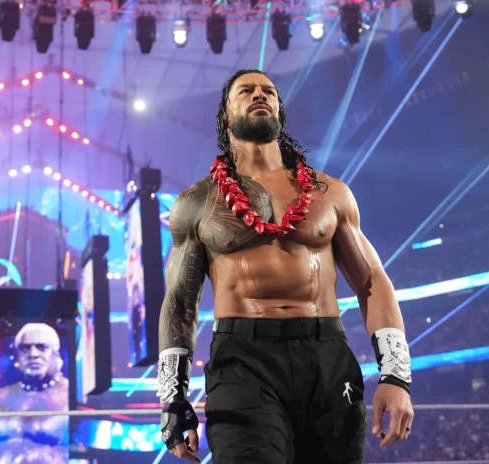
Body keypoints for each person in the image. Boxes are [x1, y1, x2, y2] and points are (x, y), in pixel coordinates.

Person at [156, 69, 414, 463]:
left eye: (269, 91)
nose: (260, 95)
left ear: (279, 108)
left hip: (327, 356)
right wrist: (173, 399)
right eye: (246, 90)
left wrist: (396, 375)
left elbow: (372, 281)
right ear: (226, 115)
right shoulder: (198, 202)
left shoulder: (330, 193)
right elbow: (179, 303)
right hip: (243, 361)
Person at [0, 323, 69, 463]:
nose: (33, 354)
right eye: (25, 348)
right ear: (17, 357)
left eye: (42, 347)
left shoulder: (71, 395)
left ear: (56, 354)